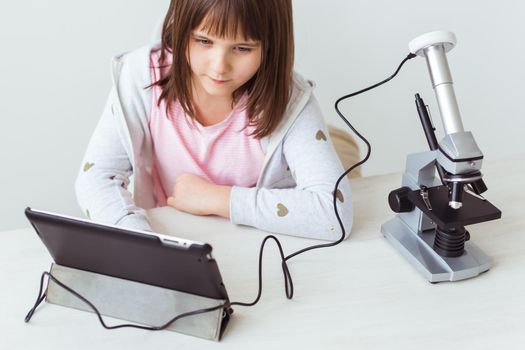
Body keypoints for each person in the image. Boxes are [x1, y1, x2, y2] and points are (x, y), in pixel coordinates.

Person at [75, 0, 353, 241]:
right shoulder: (142, 78)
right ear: (181, 28)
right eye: (204, 41)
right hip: (174, 241)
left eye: (242, 48)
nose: (219, 66)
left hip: (260, 248)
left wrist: (219, 198)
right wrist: (143, 244)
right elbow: (94, 178)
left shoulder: (291, 101)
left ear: (271, 46)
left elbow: (334, 212)